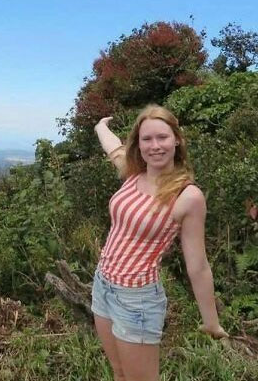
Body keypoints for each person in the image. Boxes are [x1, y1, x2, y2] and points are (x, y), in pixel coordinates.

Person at [92, 107, 227, 381]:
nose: (155, 146)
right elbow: (113, 148)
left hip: (137, 298)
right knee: (119, 373)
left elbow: (198, 264)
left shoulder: (187, 196)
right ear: (138, 144)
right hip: (102, 285)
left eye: (162, 137)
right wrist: (100, 126)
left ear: (177, 140)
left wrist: (211, 321)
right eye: (147, 139)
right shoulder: (133, 174)